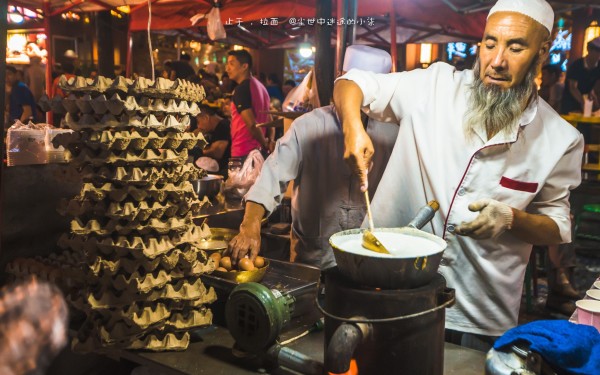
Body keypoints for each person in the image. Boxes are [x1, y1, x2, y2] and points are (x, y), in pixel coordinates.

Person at [333, 0, 584, 351]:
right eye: (490, 43)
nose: (496, 60)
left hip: (480, 312)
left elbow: (557, 226)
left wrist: (511, 218)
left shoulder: (560, 139)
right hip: (392, 290)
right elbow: (352, 83)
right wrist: (352, 128)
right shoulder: (434, 88)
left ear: (542, 52)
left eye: (515, 47)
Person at [227, 45, 398, 270]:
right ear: (341, 80)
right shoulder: (308, 126)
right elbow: (272, 174)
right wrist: (250, 225)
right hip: (314, 260)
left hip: (372, 261)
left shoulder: (394, 133)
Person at [225, 50, 273, 159]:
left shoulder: (241, 89)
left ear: (244, 66)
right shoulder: (261, 87)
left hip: (244, 151)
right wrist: (269, 142)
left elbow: (251, 124)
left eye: (231, 64)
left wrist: (265, 144)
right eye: (227, 64)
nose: (227, 69)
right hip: (259, 152)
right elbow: (270, 121)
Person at [560, 37, 600, 115]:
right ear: (589, 49)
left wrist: (594, 101)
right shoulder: (577, 65)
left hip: (587, 104)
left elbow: (596, 87)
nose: (598, 55)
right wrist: (583, 102)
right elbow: (572, 87)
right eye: (597, 51)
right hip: (571, 103)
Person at [192, 104, 232, 178]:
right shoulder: (214, 129)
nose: (198, 126)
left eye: (198, 122)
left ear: (206, 118)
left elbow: (216, 153)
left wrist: (197, 149)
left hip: (224, 173)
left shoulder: (223, 126)